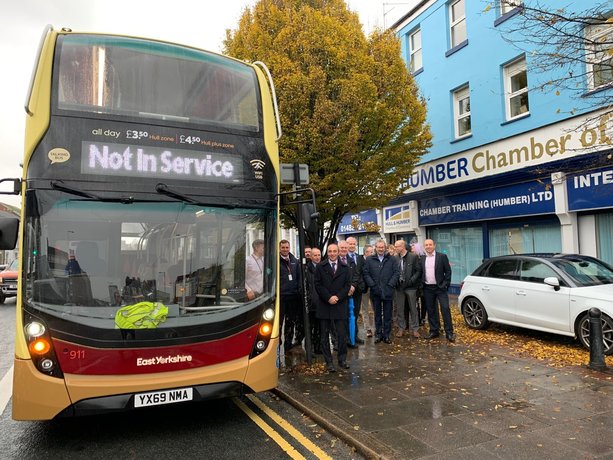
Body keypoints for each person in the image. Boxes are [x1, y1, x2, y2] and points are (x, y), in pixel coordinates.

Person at [315, 242, 352, 372]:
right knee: (324, 336)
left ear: (338, 252)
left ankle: (342, 359)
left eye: (334, 251)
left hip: (339, 305)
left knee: (342, 335)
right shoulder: (320, 266)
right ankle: (329, 362)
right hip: (325, 305)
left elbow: (347, 285)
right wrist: (328, 297)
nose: (332, 253)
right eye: (329, 251)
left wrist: (337, 297)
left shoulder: (345, 267)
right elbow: (318, 285)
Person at [363, 239, 399, 344]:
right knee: (377, 315)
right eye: (378, 247)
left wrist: (390, 284)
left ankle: (387, 335)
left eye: (382, 247)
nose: (380, 249)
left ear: (385, 247)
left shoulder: (392, 259)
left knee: (388, 315)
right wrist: (372, 285)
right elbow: (366, 274)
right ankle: (378, 334)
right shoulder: (369, 259)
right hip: (375, 291)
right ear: (376, 247)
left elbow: (396, 273)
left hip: (388, 291)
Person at [420, 238, 454, 342]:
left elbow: (448, 272)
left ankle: (449, 333)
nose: (428, 246)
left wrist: (445, 284)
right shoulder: (422, 258)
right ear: (424, 247)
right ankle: (434, 331)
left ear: (434, 246)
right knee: (431, 310)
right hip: (428, 288)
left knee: (445, 309)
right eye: (426, 245)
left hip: (440, 288)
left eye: (430, 244)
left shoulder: (442, 257)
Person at [393, 240, 423, 338]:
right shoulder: (395, 258)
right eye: (395, 246)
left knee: (413, 309)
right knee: (400, 309)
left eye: (397, 246)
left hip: (411, 287)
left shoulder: (413, 257)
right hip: (399, 288)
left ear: (403, 246)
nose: (396, 248)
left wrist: (411, 281)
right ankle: (401, 328)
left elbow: (418, 271)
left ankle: (415, 329)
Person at [279, 239, 303, 351]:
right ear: (280, 248)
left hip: (293, 297)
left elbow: (299, 277)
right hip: (281, 297)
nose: (285, 249)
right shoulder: (275, 261)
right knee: (279, 322)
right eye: (283, 247)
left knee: (290, 322)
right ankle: (277, 343)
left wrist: (298, 290)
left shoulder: (295, 261)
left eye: (287, 247)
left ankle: (288, 344)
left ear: (289, 248)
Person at [346, 236, 366, 345]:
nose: (352, 246)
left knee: (356, 313)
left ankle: (355, 335)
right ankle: (348, 337)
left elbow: (362, 273)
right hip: (347, 290)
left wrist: (362, 285)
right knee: (347, 314)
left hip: (357, 290)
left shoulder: (360, 258)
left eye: (354, 244)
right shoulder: (343, 257)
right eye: (350, 244)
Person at [305, 247, 322, 354]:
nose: (317, 257)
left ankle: (318, 347)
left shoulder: (324, 267)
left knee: (320, 328)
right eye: (315, 255)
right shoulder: (306, 269)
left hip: (322, 303)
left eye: (318, 255)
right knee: (310, 327)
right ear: (311, 257)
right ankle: (309, 349)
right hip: (311, 304)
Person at [360, 245, 374, 338]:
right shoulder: (360, 261)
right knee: (364, 309)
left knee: (375, 308)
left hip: (373, 288)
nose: (372, 253)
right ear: (365, 253)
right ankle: (367, 329)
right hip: (364, 289)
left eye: (373, 251)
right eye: (370, 252)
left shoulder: (374, 261)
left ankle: (378, 328)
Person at [411, 242, 427, 325]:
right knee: (416, 302)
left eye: (413, 248)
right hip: (415, 284)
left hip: (423, 284)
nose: (412, 250)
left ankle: (423, 318)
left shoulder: (423, 258)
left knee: (424, 302)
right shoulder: (412, 258)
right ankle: (418, 318)